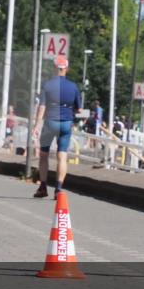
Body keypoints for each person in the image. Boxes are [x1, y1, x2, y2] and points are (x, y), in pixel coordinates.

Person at [33, 55, 82, 199]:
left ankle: (43, 187)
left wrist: (37, 125)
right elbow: (79, 109)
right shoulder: (73, 86)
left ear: (55, 68)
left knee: (44, 155)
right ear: (66, 69)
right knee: (62, 156)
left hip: (50, 122)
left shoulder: (47, 85)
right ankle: (58, 189)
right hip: (66, 123)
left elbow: (42, 106)